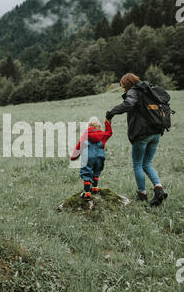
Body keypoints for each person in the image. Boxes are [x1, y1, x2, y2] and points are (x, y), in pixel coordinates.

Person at [106, 73, 168, 206]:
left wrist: (111, 113)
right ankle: (159, 189)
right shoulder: (148, 90)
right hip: (156, 132)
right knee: (147, 163)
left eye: (123, 85)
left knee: (137, 164)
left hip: (142, 134)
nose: (123, 88)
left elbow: (128, 104)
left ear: (127, 84)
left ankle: (142, 194)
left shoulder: (134, 91)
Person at [70, 116, 112, 199]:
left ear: (89, 126)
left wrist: (73, 157)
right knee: (97, 171)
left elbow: (79, 147)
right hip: (100, 157)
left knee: (87, 173)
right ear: (99, 126)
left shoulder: (85, 136)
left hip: (88, 158)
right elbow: (109, 132)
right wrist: (107, 123)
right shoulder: (102, 135)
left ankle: (86, 192)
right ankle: (95, 188)